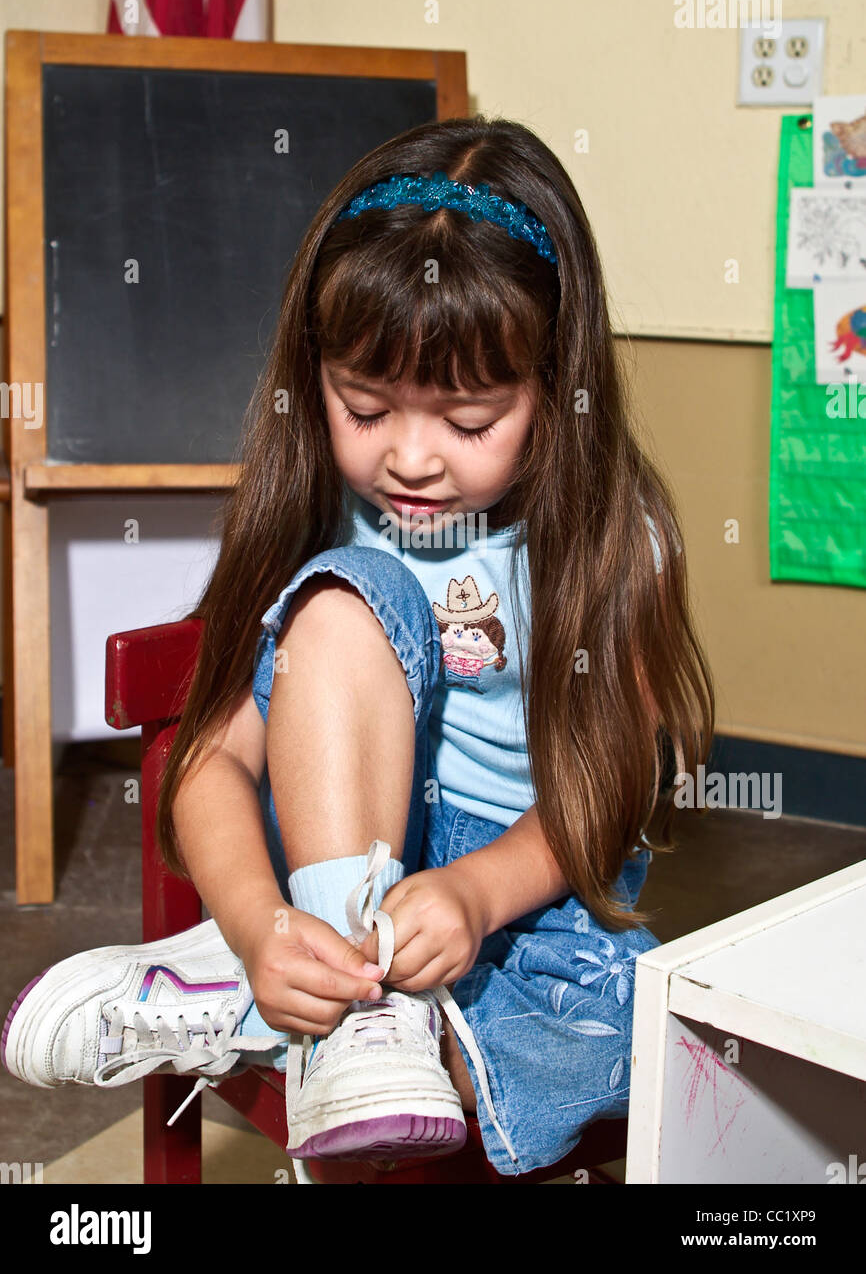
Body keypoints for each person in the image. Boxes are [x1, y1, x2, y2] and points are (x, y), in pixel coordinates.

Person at [2, 116, 714, 1180]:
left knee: (516, 1070)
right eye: (364, 406)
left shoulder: (618, 535)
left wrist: (475, 893)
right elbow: (210, 759)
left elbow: (610, 783)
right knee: (349, 603)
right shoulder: (333, 522)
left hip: (522, 895)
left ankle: (261, 1008)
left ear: (556, 388)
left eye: (469, 421)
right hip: (335, 862)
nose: (411, 459)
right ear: (314, 373)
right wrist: (256, 923)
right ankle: (330, 1010)